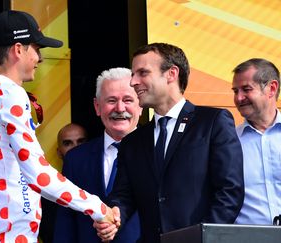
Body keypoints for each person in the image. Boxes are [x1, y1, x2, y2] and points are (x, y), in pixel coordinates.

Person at [0, 10, 117, 243]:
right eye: (37, 49)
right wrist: (99, 208)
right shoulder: (9, 95)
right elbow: (38, 175)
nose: (40, 58)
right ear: (18, 49)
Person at [95, 43, 244, 243]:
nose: (133, 82)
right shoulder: (132, 142)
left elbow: (229, 192)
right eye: (133, 74)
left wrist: (202, 238)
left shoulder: (212, 122)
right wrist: (113, 215)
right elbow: (123, 196)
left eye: (142, 73)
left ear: (171, 74)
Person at [54, 67, 142, 243]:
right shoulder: (75, 159)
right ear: (97, 106)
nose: (120, 108)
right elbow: (66, 222)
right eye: (111, 100)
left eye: (127, 100)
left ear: (141, 105)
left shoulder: (156, 152)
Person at [231, 58, 281, 225]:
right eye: (235, 91)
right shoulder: (229, 141)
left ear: (271, 88)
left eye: (246, 89)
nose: (239, 98)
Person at [39, 123, 88, 243]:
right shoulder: (47, 195)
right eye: (67, 143)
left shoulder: (104, 183)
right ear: (59, 152)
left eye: (80, 141)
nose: (75, 148)